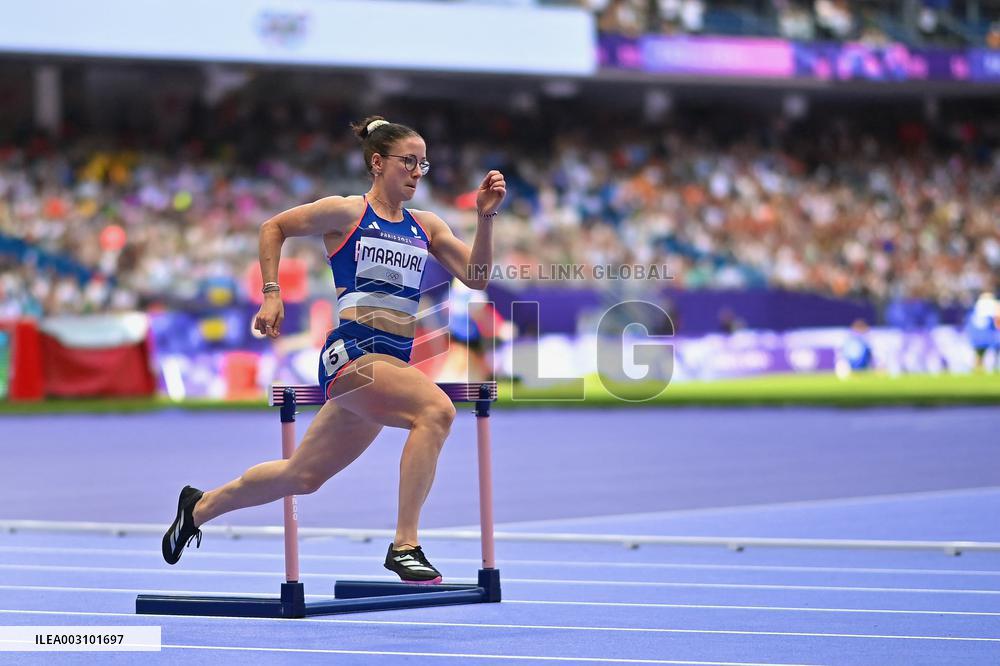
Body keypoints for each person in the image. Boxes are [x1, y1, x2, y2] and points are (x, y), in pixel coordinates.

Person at [161, 116, 506, 583]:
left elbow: (478, 278)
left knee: (302, 476)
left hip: (389, 367)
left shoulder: (426, 226)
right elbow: (273, 226)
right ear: (378, 163)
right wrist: (271, 292)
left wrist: (485, 216)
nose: (417, 172)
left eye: (423, 164)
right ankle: (405, 545)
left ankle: (198, 507)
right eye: (408, 161)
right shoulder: (347, 213)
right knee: (436, 411)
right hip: (352, 355)